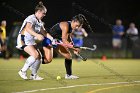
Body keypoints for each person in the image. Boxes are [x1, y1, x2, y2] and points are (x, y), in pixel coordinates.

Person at [16, 2, 54, 80]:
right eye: (43, 13)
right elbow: (28, 28)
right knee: (35, 54)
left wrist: (52, 39)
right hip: (23, 39)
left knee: (39, 57)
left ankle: (34, 75)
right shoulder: (31, 18)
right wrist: (37, 35)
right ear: (39, 12)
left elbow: (44, 33)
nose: (44, 15)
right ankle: (22, 71)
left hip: (30, 41)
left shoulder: (39, 22)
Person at [42, 14, 86, 79]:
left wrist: (74, 48)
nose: (77, 27)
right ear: (73, 21)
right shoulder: (66, 25)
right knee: (48, 60)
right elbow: (64, 40)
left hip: (57, 41)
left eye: (78, 26)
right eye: (76, 25)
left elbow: (69, 38)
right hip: (49, 39)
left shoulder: (71, 27)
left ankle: (68, 75)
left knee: (68, 56)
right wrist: (74, 47)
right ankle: (34, 60)